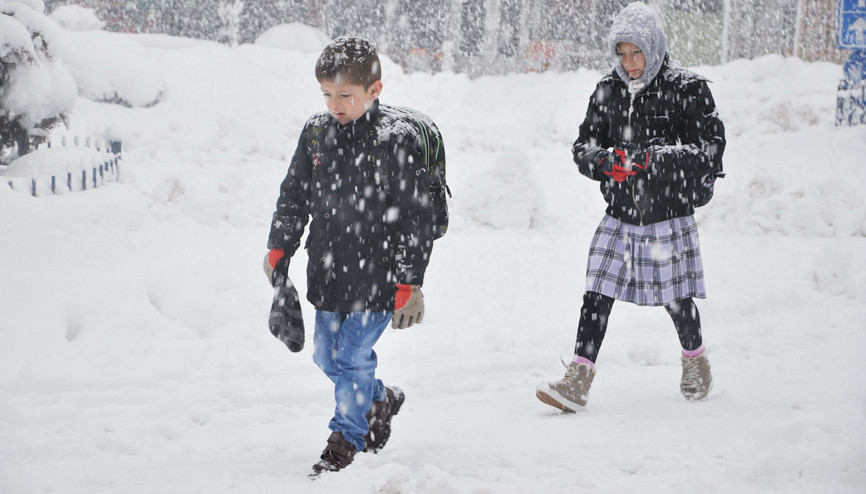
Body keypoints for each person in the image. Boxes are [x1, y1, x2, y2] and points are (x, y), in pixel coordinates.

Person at [536, 2, 726, 412]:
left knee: (675, 298)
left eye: (637, 53)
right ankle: (578, 379)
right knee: (597, 292)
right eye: (622, 54)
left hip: (668, 213)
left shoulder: (688, 89)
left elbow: (709, 152)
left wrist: (653, 159)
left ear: (654, 47)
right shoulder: (608, 89)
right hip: (621, 213)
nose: (629, 63)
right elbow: (583, 146)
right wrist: (603, 161)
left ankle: (696, 362)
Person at [264, 36, 438, 474]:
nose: (334, 104)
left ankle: (345, 438)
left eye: (345, 94)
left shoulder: (395, 140)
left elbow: (413, 218)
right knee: (327, 356)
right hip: (327, 270)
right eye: (327, 93)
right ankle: (378, 399)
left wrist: (407, 281)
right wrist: (280, 245)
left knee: (353, 355)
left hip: (377, 274)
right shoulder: (317, 133)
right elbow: (294, 194)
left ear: (374, 91)